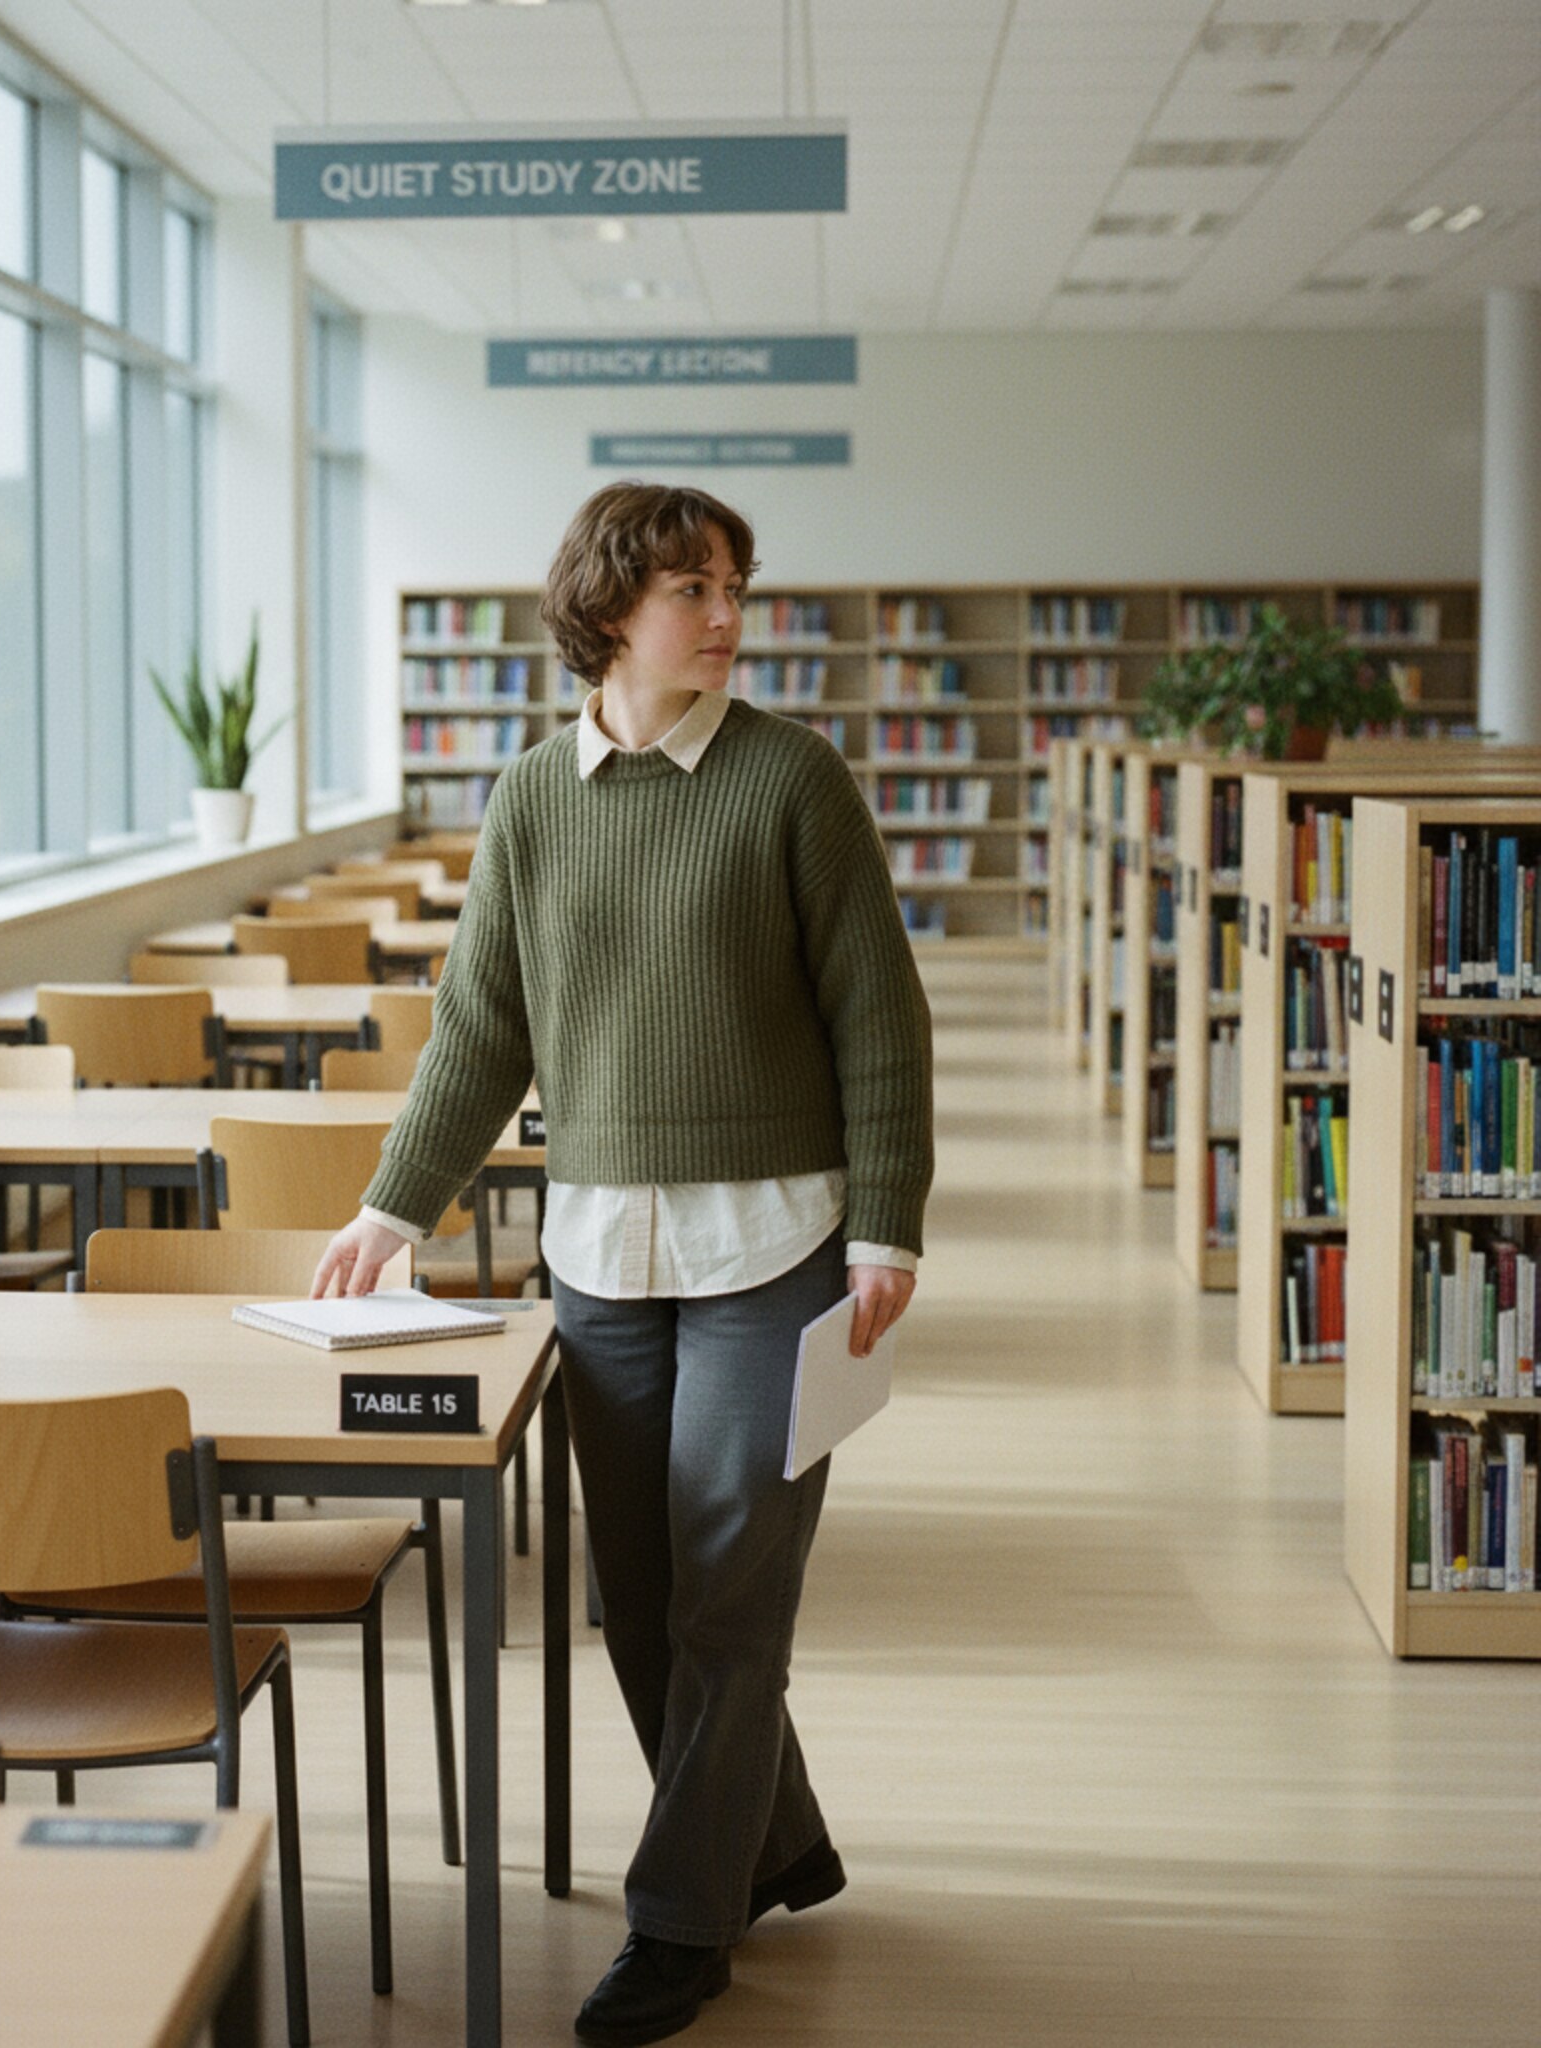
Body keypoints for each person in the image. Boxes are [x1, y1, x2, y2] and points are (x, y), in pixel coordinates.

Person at [314, 481, 933, 2046]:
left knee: (732, 1591)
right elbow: (484, 1027)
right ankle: (773, 1839)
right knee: (636, 1606)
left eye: (734, 585)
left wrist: (889, 1219)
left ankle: (680, 1926)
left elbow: (879, 1014)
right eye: (691, 589)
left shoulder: (798, 781)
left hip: (775, 1250)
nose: (726, 617)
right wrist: (394, 1209)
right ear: (607, 611)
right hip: (600, 1256)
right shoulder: (530, 799)